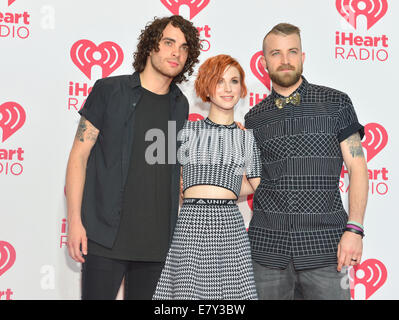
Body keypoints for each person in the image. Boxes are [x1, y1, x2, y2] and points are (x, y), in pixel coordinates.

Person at [65, 15, 201, 300]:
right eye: (168, 42)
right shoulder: (109, 91)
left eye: (184, 47)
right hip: (104, 238)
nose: (176, 52)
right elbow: (79, 157)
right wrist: (75, 221)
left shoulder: (180, 104)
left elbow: (167, 165)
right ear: (151, 46)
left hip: (156, 244)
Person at [244, 23, 369, 300]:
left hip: (326, 249)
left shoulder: (336, 103)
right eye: (276, 53)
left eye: (292, 51)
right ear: (264, 62)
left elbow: (357, 167)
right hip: (267, 252)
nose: (285, 60)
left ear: (303, 57)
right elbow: (253, 181)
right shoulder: (254, 117)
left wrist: (355, 229)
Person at [153, 55, 262, 300]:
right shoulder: (186, 131)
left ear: (241, 88)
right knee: (185, 296)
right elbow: (165, 178)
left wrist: (228, 185)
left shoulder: (246, 138)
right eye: (219, 81)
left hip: (229, 228)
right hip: (191, 224)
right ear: (207, 87)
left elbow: (259, 186)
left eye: (234, 81)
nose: (227, 88)